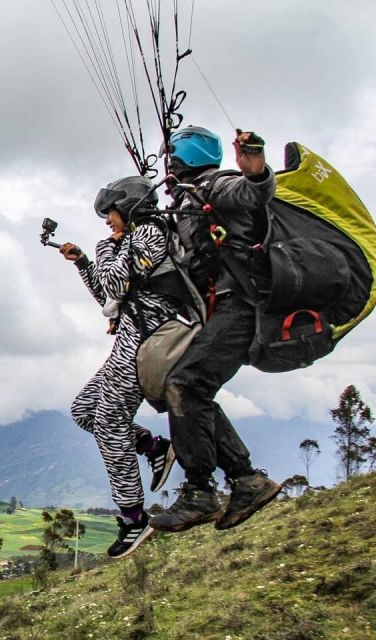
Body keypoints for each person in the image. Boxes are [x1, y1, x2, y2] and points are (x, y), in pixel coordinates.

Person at [149, 126, 282, 533]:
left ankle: (200, 491)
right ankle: (246, 479)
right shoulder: (189, 201)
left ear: (185, 157)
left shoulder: (215, 184)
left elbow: (254, 192)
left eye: (171, 157)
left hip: (243, 306)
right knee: (193, 389)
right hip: (226, 308)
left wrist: (255, 169)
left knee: (184, 385)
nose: (166, 165)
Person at [60, 176, 178, 559]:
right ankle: (153, 445)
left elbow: (114, 279)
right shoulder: (130, 240)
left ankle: (133, 519)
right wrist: (83, 263)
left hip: (146, 342)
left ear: (128, 206)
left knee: (109, 422)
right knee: (83, 410)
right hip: (128, 339)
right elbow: (109, 292)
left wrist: (106, 249)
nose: (107, 221)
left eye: (110, 213)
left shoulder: (149, 236)